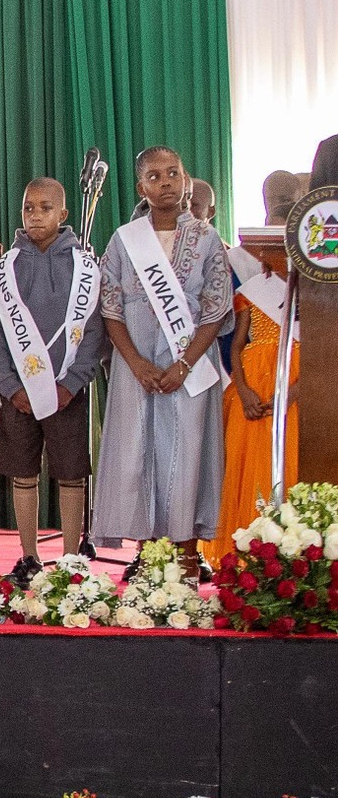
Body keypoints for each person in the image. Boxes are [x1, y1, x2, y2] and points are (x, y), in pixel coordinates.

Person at [95, 147, 232, 574]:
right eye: (155, 176)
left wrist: (184, 364)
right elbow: (110, 307)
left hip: (190, 364)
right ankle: (148, 551)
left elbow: (215, 308)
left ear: (186, 179)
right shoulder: (124, 239)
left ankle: (188, 553)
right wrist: (136, 363)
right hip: (136, 365)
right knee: (139, 449)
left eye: (174, 173)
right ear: (142, 188)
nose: (166, 182)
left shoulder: (207, 239)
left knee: (188, 449)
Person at [0, 179, 105, 571]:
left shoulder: (84, 267)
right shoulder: (7, 268)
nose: (36, 215)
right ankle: (29, 556)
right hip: (19, 394)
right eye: (29, 207)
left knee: (70, 471)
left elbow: (95, 327)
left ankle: (71, 559)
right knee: (22, 469)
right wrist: (9, 385)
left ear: (63, 214)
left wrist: (71, 384)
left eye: (45, 208)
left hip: (67, 391)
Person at [203, 236, 298, 567]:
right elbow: (237, 345)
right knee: (254, 467)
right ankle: (253, 549)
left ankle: (297, 551)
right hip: (255, 387)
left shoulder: (315, 290)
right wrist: (242, 388)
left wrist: (293, 393)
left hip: (296, 388)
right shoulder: (254, 290)